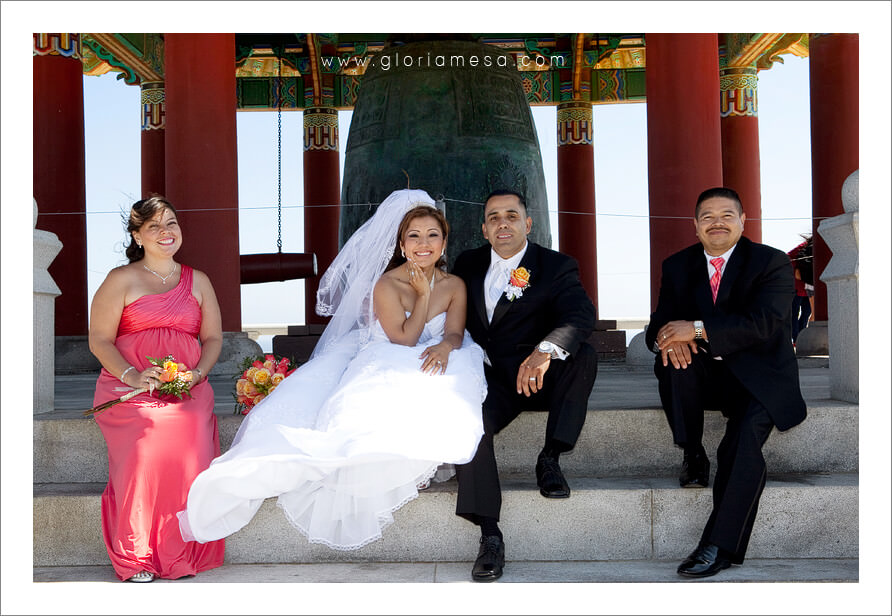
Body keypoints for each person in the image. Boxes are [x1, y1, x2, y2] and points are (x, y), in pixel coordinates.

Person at [177, 189, 485, 551]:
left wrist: (447, 346)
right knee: (398, 380)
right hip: (391, 352)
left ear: (444, 242)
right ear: (402, 244)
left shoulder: (454, 285)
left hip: (430, 352)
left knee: (459, 368)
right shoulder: (387, 285)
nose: (423, 244)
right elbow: (404, 340)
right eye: (414, 236)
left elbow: (453, 331)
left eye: (432, 235)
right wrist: (420, 296)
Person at [644, 187, 807, 578]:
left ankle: (718, 545)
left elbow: (765, 324)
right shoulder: (678, 265)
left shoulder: (769, 263)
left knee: (742, 442)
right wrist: (667, 339)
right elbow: (657, 324)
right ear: (695, 225)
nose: (717, 223)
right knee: (673, 359)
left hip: (762, 376)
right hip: (709, 374)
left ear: (742, 220)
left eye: (726, 215)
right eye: (707, 216)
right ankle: (692, 452)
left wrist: (696, 329)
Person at [451, 189, 598, 581]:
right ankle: (490, 535)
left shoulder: (556, 265)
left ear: (527, 224)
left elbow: (581, 316)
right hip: (489, 379)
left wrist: (545, 350)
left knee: (584, 355)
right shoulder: (466, 264)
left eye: (512, 216)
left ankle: (550, 456)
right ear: (484, 228)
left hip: (538, 375)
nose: (503, 223)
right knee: (471, 427)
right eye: (494, 217)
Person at [87, 196, 225, 582]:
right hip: (127, 387)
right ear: (137, 235)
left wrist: (197, 374)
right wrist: (131, 376)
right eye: (155, 227)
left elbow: (213, 338)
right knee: (149, 438)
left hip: (187, 388)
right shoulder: (121, 279)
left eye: (172, 224)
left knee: (188, 432)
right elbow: (99, 339)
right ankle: (136, 555)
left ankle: (175, 550)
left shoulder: (198, 280)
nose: (167, 233)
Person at [787, 234, 813, 343]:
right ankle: (797, 339)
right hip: (799, 287)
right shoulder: (804, 247)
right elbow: (788, 256)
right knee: (797, 314)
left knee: (804, 313)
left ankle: (799, 339)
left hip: (806, 285)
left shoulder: (808, 246)